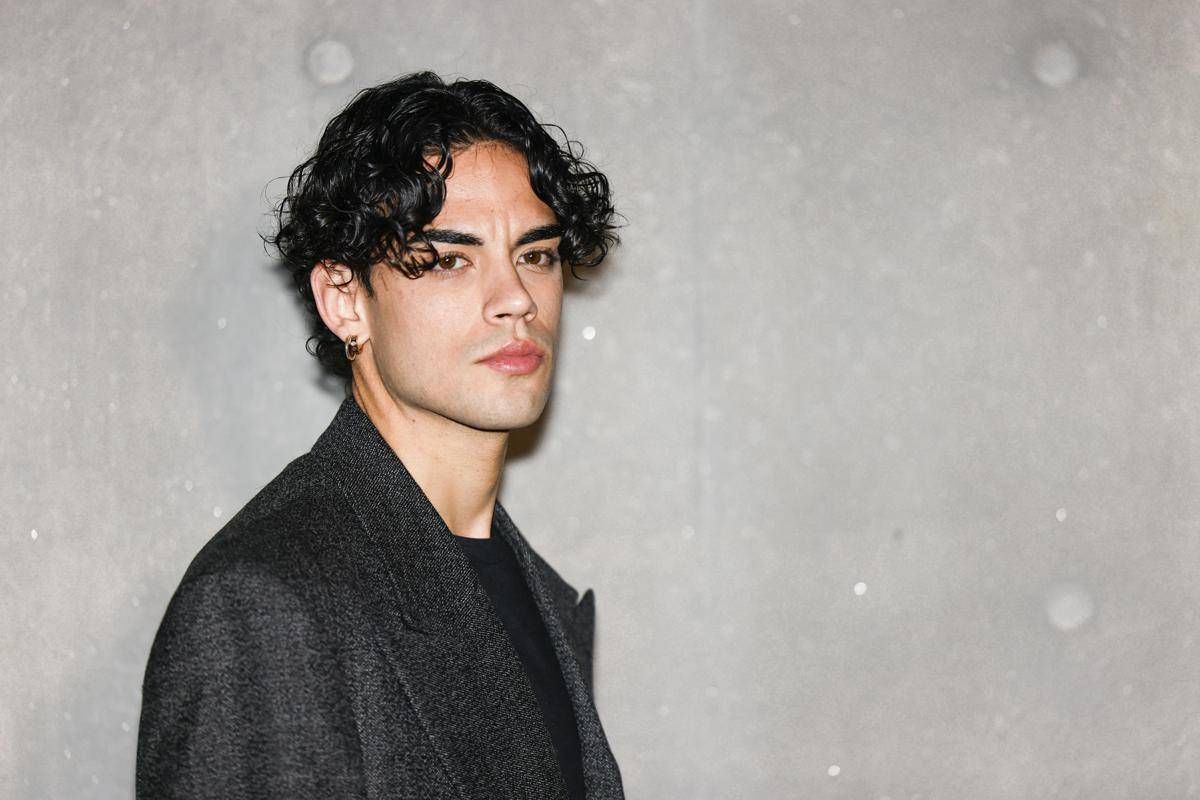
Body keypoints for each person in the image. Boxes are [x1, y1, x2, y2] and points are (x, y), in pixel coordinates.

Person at [136, 71, 624, 799]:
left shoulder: (540, 596)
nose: (516, 299)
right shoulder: (265, 606)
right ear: (344, 299)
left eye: (536, 255)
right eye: (449, 260)